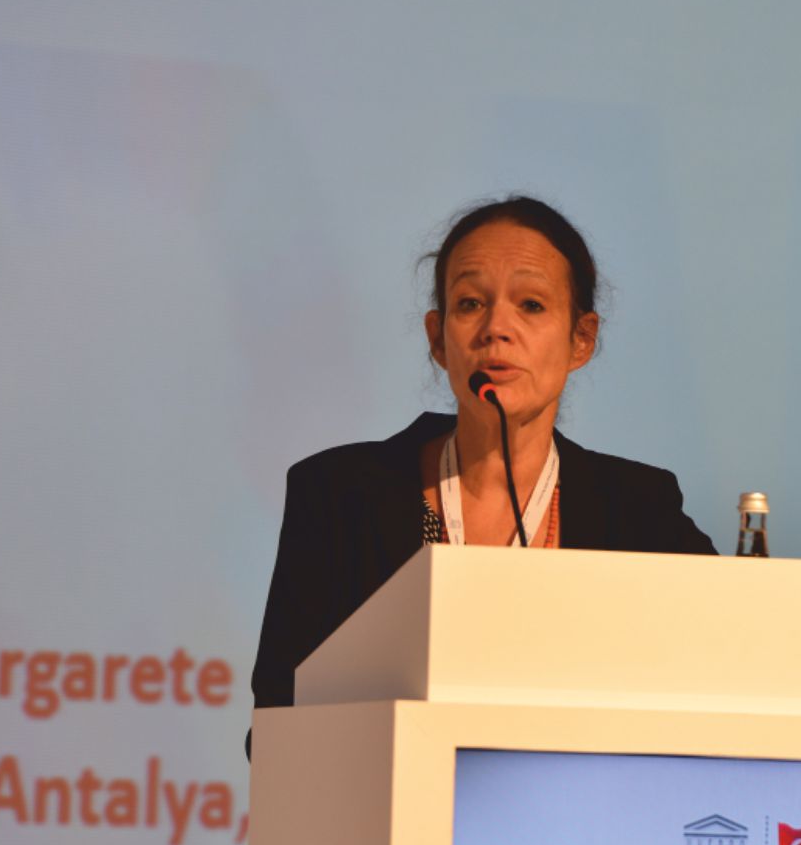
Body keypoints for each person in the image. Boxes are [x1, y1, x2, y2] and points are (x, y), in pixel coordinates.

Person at [247, 196, 715, 755]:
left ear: (581, 339)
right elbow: (278, 723)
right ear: (438, 338)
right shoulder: (338, 495)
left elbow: (727, 672)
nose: (497, 329)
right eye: (470, 304)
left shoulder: (639, 510)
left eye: (531, 305)